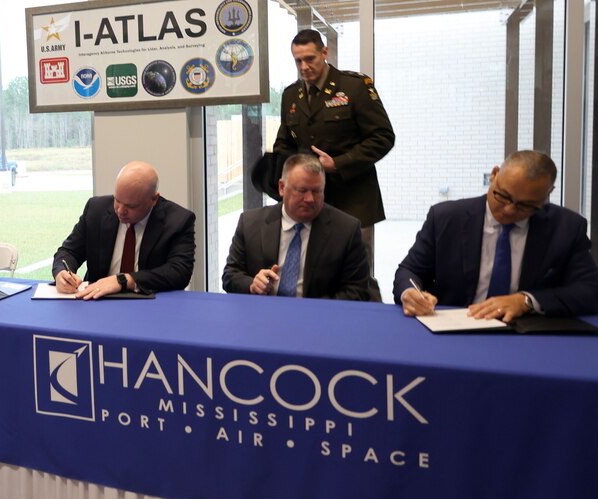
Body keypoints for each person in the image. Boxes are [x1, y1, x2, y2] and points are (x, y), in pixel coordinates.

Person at [394, 150, 598, 321]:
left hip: (527, 332)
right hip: (455, 326)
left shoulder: (566, 228)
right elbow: (409, 270)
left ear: (547, 194)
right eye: (503, 196)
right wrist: (410, 293)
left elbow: (591, 293)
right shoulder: (447, 218)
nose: (509, 210)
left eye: (525, 205)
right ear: (494, 175)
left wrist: (526, 301)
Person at [270, 29, 394, 296]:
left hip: (353, 199)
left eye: (310, 59)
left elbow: (383, 137)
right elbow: (284, 143)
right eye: (298, 60)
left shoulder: (355, 87)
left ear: (324, 52)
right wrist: (286, 170)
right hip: (310, 199)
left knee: (357, 278)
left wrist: (338, 163)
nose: (304, 67)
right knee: (314, 272)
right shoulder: (291, 95)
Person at [223, 154, 370, 300]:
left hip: (318, 313)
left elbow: (357, 290)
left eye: (317, 191)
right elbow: (230, 275)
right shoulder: (250, 223)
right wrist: (252, 284)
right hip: (263, 311)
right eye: (302, 190)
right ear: (282, 187)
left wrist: (311, 310)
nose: (310, 199)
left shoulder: (346, 230)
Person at [52, 161, 195, 299]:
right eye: (117, 200)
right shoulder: (96, 210)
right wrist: (61, 272)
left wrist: (125, 280)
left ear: (153, 200)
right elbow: (69, 251)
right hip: (97, 302)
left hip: (151, 304)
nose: (120, 211)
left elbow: (179, 272)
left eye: (130, 206)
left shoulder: (178, 220)